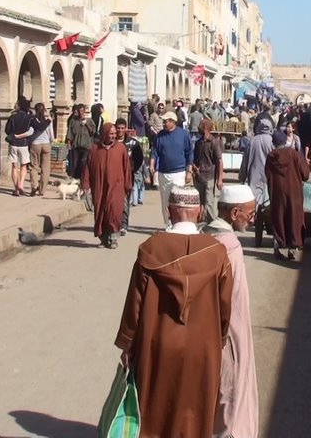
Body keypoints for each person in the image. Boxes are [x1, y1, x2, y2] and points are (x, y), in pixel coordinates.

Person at [114, 185, 232, 438]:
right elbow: (224, 308)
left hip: (156, 345)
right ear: (200, 212)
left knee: (155, 411)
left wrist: (128, 345)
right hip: (202, 347)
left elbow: (134, 305)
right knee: (196, 413)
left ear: (169, 212)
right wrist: (219, 340)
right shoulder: (217, 253)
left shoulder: (150, 249)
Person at [202, 184, 260, 438]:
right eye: (249, 213)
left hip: (211, 330)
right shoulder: (230, 247)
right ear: (235, 212)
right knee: (231, 389)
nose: (252, 218)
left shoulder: (204, 236)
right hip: (229, 333)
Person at [81, 123, 132, 248]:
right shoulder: (94, 149)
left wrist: (127, 185)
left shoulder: (121, 149)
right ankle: (103, 239)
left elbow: (127, 168)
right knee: (100, 210)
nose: (113, 136)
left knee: (114, 210)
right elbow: (87, 168)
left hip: (116, 186)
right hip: (99, 186)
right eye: (111, 134)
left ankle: (113, 238)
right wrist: (85, 184)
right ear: (104, 134)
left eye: (115, 134)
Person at [265, 130, 309, 261]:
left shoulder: (270, 157)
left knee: (279, 217)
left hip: (277, 193)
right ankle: (293, 248)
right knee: (294, 218)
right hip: (294, 193)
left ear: (274, 143)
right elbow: (305, 174)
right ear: (285, 141)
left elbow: (267, 174)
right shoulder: (294, 154)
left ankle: (278, 245)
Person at [150, 111, 194, 230]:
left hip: (179, 173)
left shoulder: (184, 134)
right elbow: (154, 151)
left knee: (178, 201)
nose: (164, 123)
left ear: (173, 121)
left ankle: (178, 224)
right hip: (164, 173)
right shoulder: (160, 135)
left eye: (166, 121)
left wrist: (189, 171)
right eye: (163, 121)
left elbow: (190, 153)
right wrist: (152, 163)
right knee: (165, 202)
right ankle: (168, 224)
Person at [192, 119, 224, 224]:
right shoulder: (198, 143)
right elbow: (195, 160)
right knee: (199, 203)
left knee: (210, 203)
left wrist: (219, 179)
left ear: (206, 128)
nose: (199, 126)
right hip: (198, 177)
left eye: (201, 125)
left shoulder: (214, 142)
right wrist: (194, 167)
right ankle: (201, 224)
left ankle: (213, 226)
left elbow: (219, 161)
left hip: (210, 177)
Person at [116, 119, 145, 235]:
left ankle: (123, 225)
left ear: (125, 129)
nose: (120, 130)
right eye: (118, 128)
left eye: (122, 128)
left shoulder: (132, 143)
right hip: (113, 177)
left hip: (127, 177)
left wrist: (132, 170)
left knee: (124, 201)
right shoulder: (111, 141)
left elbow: (139, 158)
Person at [239, 118, 275, 206]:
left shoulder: (252, 141)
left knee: (253, 205)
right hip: (268, 179)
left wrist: (242, 177)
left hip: (253, 179)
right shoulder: (271, 141)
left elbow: (245, 161)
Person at [4, 97, 35, 197]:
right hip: (24, 144)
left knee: (14, 166)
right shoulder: (29, 117)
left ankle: (16, 189)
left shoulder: (12, 117)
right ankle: (21, 184)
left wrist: (14, 134)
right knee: (23, 166)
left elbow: (7, 130)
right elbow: (31, 131)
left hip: (13, 144)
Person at [28, 102, 54, 197]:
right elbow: (51, 134)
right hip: (46, 144)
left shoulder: (33, 120)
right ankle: (42, 190)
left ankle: (34, 185)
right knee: (45, 168)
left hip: (35, 144)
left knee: (34, 166)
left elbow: (30, 132)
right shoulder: (48, 120)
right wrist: (51, 141)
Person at [66, 104, 93, 180]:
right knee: (75, 163)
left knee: (83, 162)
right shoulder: (73, 121)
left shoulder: (89, 120)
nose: (80, 113)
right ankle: (75, 178)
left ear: (84, 111)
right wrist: (68, 142)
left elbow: (92, 132)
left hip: (86, 145)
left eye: (82, 111)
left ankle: (83, 177)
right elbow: (70, 132)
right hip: (76, 145)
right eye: (79, 111)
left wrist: (86, 124)